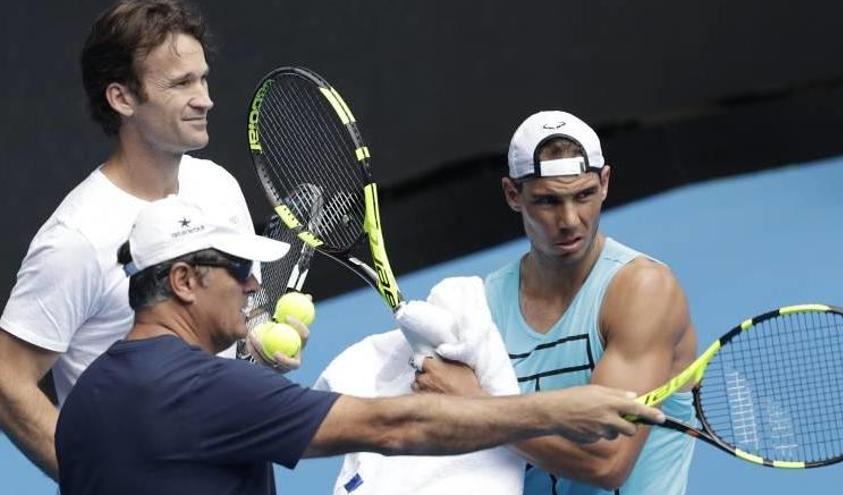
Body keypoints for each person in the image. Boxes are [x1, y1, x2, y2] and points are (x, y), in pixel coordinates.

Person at [55, 196, 665, 495]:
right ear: (184, 282)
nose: (250, 284)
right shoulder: (205, 390)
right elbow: (393, 426)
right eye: (237, 270)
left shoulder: (86, 399)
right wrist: (560, 408)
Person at [0, 0, 287, 481]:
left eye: (203, 78)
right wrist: (99, 477)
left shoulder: (218, 186)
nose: (205, 99)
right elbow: (8, 379)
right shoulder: (75, 240)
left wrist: (258, 339)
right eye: (180, 84)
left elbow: (243, 317)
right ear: (122, 98)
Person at [413, 110, 698, 494]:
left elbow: (607, 461)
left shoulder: (643, 290)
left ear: (605, 183)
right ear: (513, 195)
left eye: (584, 195)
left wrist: (472, 405)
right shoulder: (482, 308)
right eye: (548, 201)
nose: (570, 220)